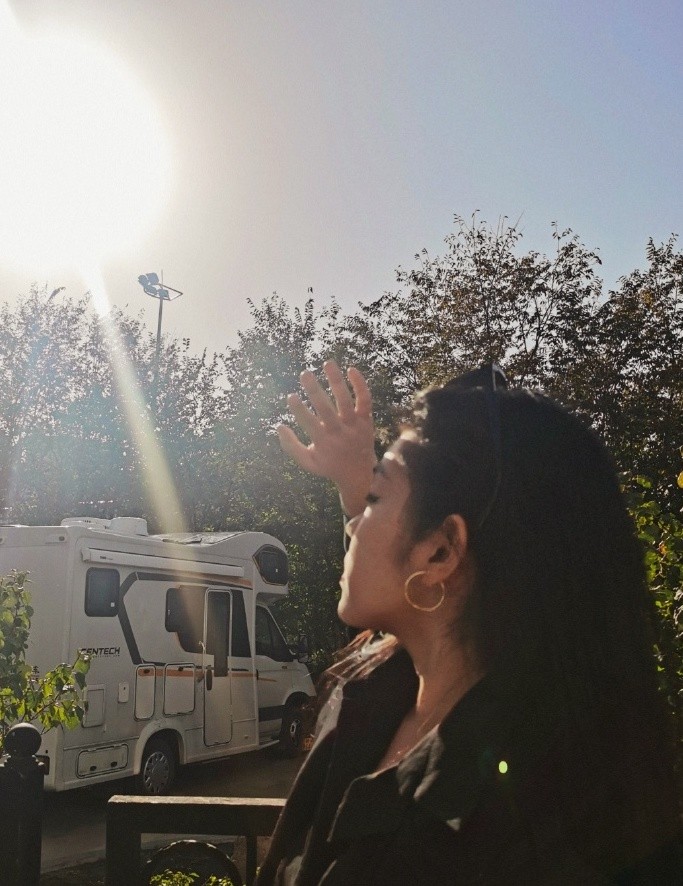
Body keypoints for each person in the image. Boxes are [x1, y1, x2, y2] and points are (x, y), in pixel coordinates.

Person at [256, 360, 683, 885]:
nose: (354, 526)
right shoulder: (388, 688)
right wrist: (358, 483)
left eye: (374, 499)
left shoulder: (530, 832)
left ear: (440, 553)